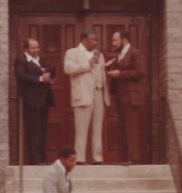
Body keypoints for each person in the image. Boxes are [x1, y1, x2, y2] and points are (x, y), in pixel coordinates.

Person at [63, 32, 109, 165]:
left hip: (98, 93)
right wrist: (87, 65)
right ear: (84, 40)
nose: (95, 43)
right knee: (81, 129)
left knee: (98, 128)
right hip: (82, 95)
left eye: (96, 40)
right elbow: (68, 68)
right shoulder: (72, 52)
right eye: (92, 40)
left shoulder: (99, 55)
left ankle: (97, 158)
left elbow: (101, 72)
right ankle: (80, 158)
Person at [106, 30, 145, 165]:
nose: (113, 43)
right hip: (121, 96)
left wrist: (120, 74)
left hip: (131, 96)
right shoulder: (120, 55)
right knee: (122, 127)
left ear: (124, 39)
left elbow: (140, 72)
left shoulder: (135, 52)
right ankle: (123, 158)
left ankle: (133, 158)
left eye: (115, 40)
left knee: (131, 127)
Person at [14, 38, 55, 165]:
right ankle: (35, 160)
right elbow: (21, 76)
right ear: (26, 49)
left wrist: (48, 74)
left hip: (43, 100)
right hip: (31, 100)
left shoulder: (41, 61)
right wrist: (40, 78)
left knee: (42, 130)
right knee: (33, 131)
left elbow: (51, 70)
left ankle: (43, 159)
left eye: (37, 47)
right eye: (33, 48)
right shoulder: (21, 61)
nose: (36, 50)